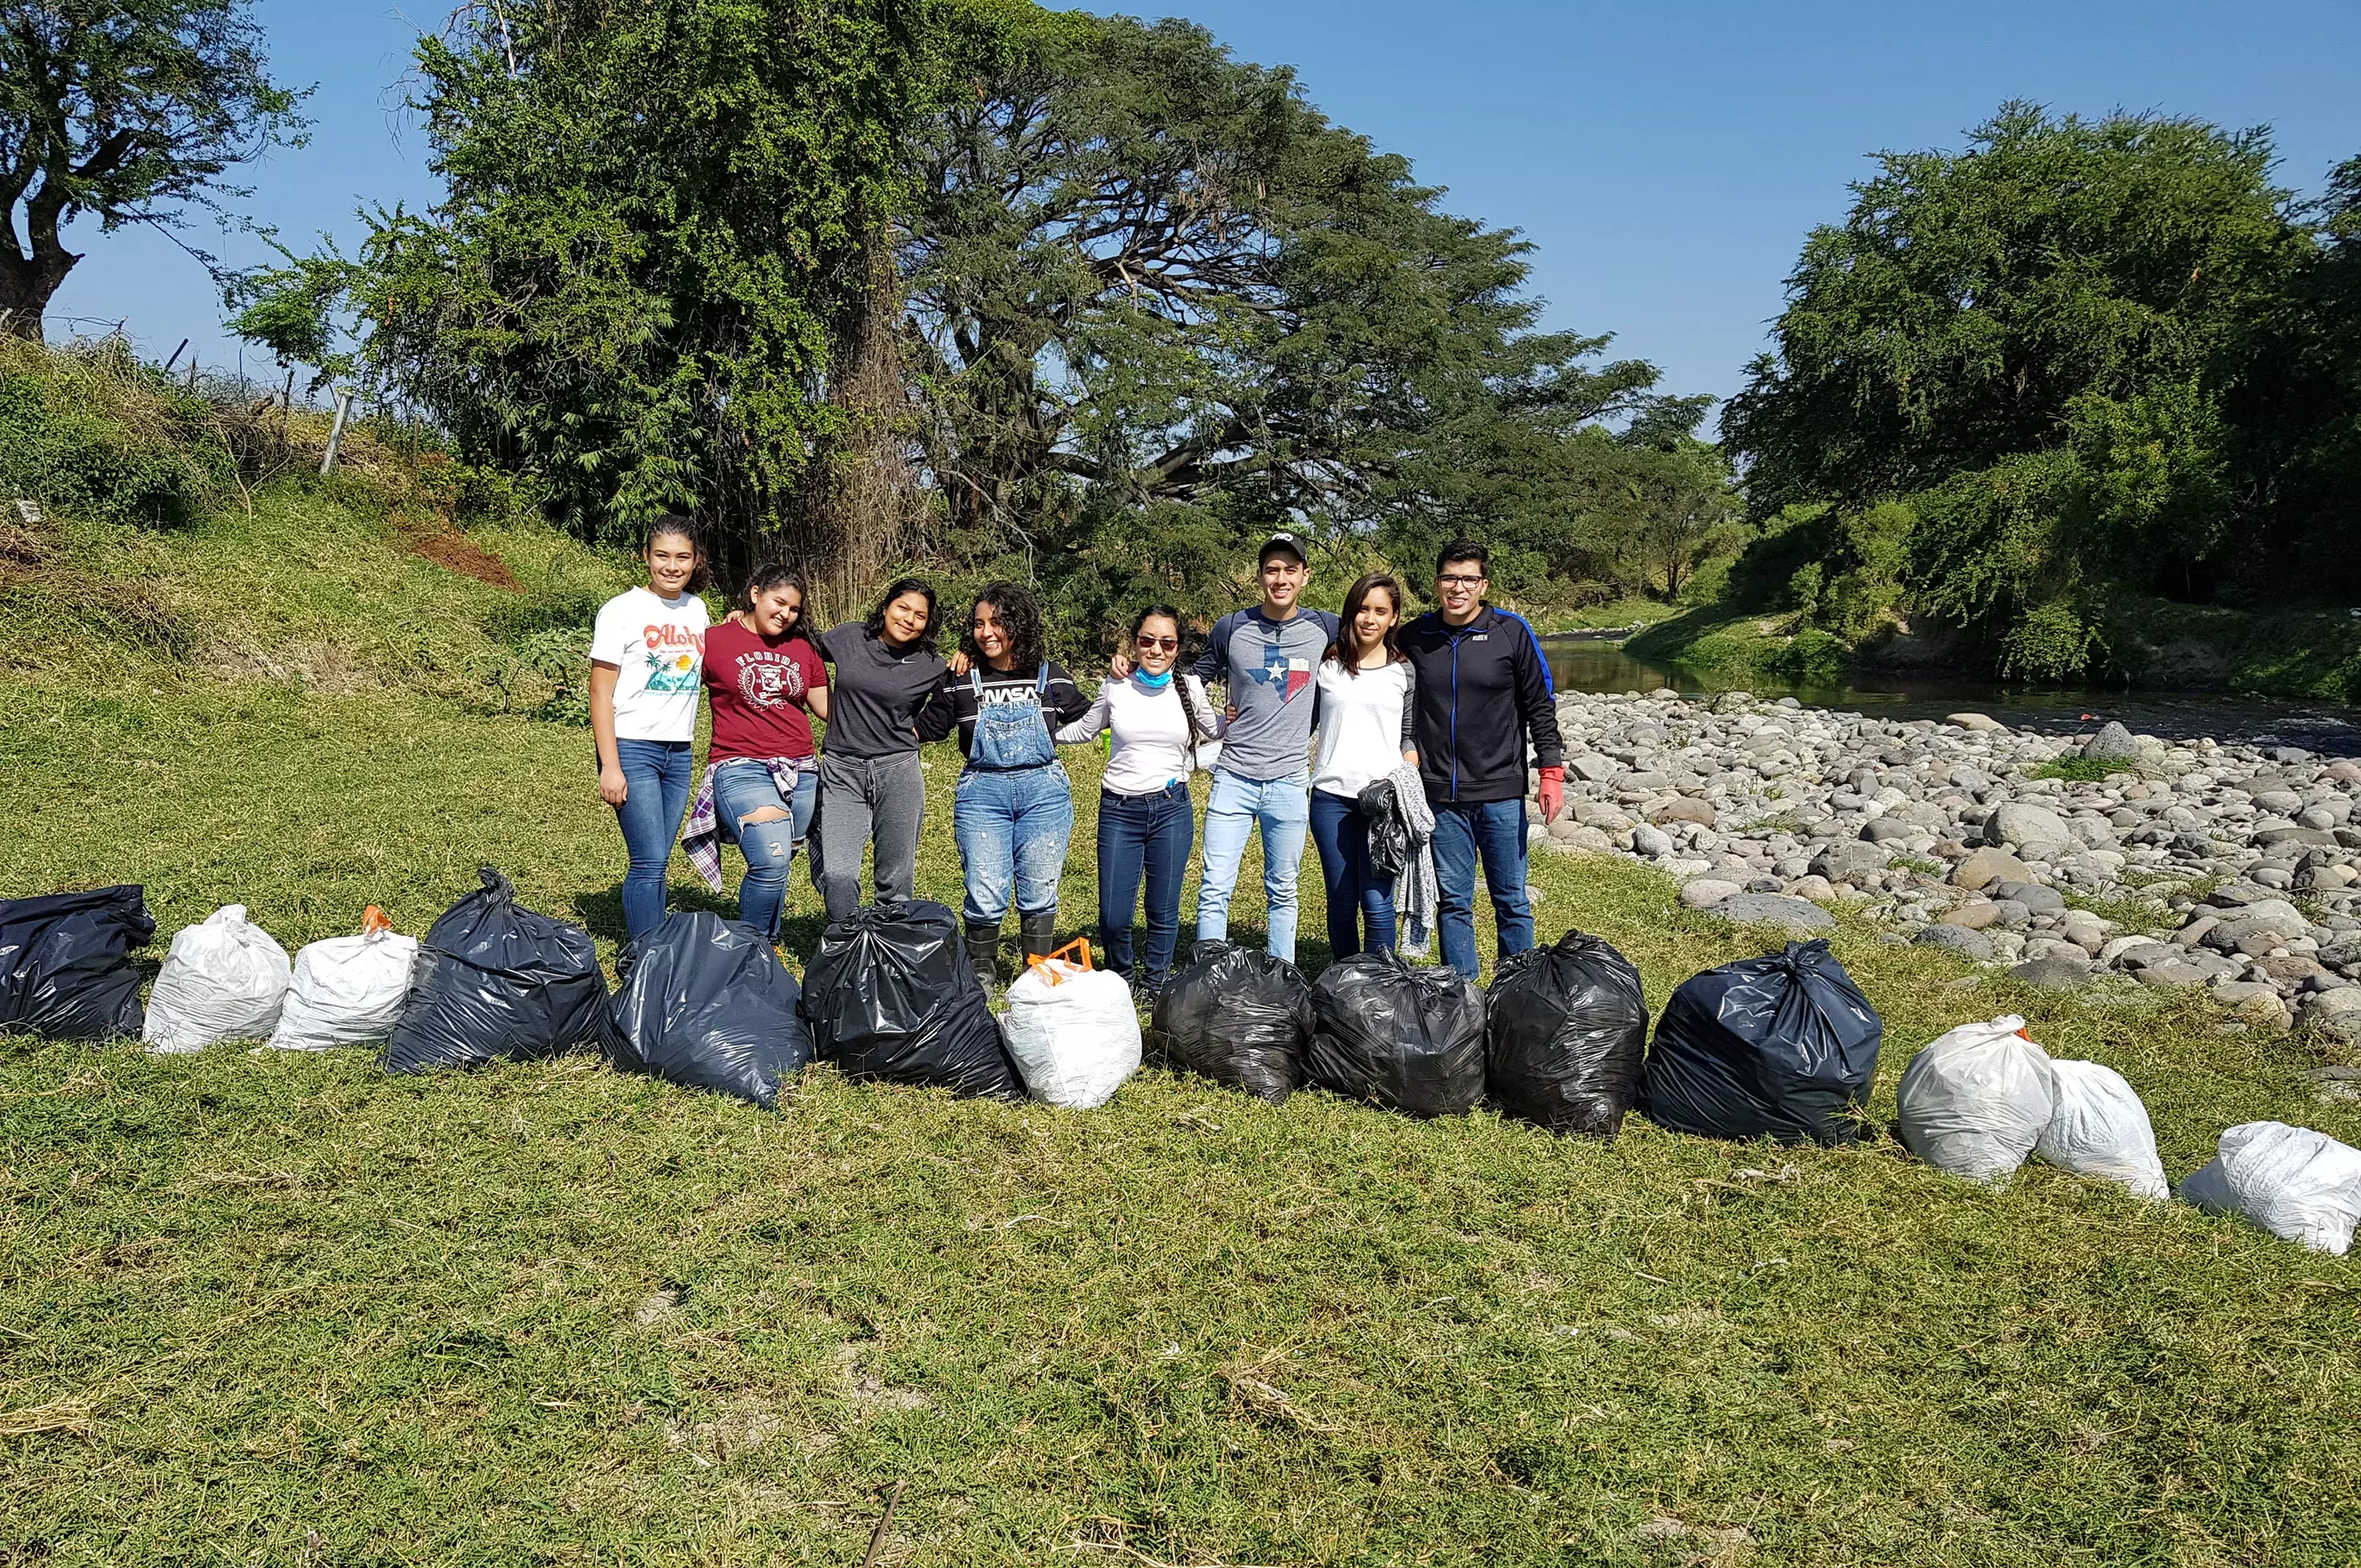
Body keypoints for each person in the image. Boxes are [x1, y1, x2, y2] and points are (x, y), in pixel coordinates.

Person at [1114, 533, 1336, 962]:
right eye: (1272, 569)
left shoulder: (1325, 628)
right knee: (1215, 885)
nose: (1281, 578)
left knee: (1284, 888)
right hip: (1233, 775)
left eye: (1291, 569)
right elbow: (1188, 678)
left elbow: (1375, 641)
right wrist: (1130, 666)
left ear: (1305, 577)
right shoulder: (1232, 627)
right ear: (1260, 576)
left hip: (1290, 779)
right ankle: (1208, 975)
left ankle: (1281, 977)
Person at [1400, 541, 1565, 979]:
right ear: (1437, 584)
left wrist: (1551, 773)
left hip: (1500, 792)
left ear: (1483, 585)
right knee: (1453, 902)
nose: (1459, 587)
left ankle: (1518, 989)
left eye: (1469, 579)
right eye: (1450, 578)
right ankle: (1463, 995)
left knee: (1511, 899)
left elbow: (1540, 704)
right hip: (1439, 794)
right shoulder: (1416, 637)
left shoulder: (1511, 632)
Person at [927, 583, 1090, 985]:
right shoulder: (962, 677)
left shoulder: (1051, 677)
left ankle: (1037, 977)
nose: (987, 633)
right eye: (980, 624)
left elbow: (1093, 717)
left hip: (1044, 793)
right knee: (984, 889)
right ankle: (982, 973)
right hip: (983, 793)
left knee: (1039, 887)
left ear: (1020, 625)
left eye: (998, 623)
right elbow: (925, 726)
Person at [1058, 607, 1224, 998]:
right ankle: (1122, 979)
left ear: (1177, 648)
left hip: (1171, 808)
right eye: (1147, 640)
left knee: (1163, 910)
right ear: (1135, 643)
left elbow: (1214, 729)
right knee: (1114, 916)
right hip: (1119, 809)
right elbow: (1086, 728)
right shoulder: (1117, 686)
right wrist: (1042, 737)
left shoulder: (1191, 688)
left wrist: (1238, 717)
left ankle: (1155, 985)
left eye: (1166, 642)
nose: (1156, 649)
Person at [682, 563, 830, 940]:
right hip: (739, 764)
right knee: (771, 858)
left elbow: (827, 708)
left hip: (802, 768)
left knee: (781, 861)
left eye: (794, 609)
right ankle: (752, 947)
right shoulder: (714, 640)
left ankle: (769, 942)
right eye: (778, 603)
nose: (785, 614)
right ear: (755, 594)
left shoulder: (803, 648)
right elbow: (676, 683)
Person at [589, 514, 711, 942]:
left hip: (679, 752)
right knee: (648, 860)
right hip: (633, 747)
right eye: (662, 556)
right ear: (646, 557)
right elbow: (601, 693)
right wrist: (611, 765)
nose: (672, 566)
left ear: (696, 561)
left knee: (658, 858)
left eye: (682, 557)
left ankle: (654, 946)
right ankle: (646, 958)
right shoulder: (621, 611)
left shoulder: (697, 610)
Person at [812, 578, 948, 923]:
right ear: (886, 607)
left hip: (899, 770)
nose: (908, 619)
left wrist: (923, 730)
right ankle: (847, 948)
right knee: (839, 878)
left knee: (896, 879)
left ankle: (888, 955)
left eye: (920, 615)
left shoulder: (931, 663)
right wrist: (748, 622)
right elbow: (801, 645)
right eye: (903, 608)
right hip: (843, 770)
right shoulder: (850, 637)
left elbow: (950, 700)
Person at [1308, 572, 1420, 960]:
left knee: (1377, 903)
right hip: (1330, 799)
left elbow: (1409, 735)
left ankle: (1381, 985)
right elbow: (1302, 721)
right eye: (1362, 609)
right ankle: (1344, 982)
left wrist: (1408, 773)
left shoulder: (1403, 671)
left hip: (1383, 804)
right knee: (1340, 902)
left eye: (1380, 611)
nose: (1369, 619)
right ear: (1351, 612)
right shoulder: (1328, 664)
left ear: (1394, 618)